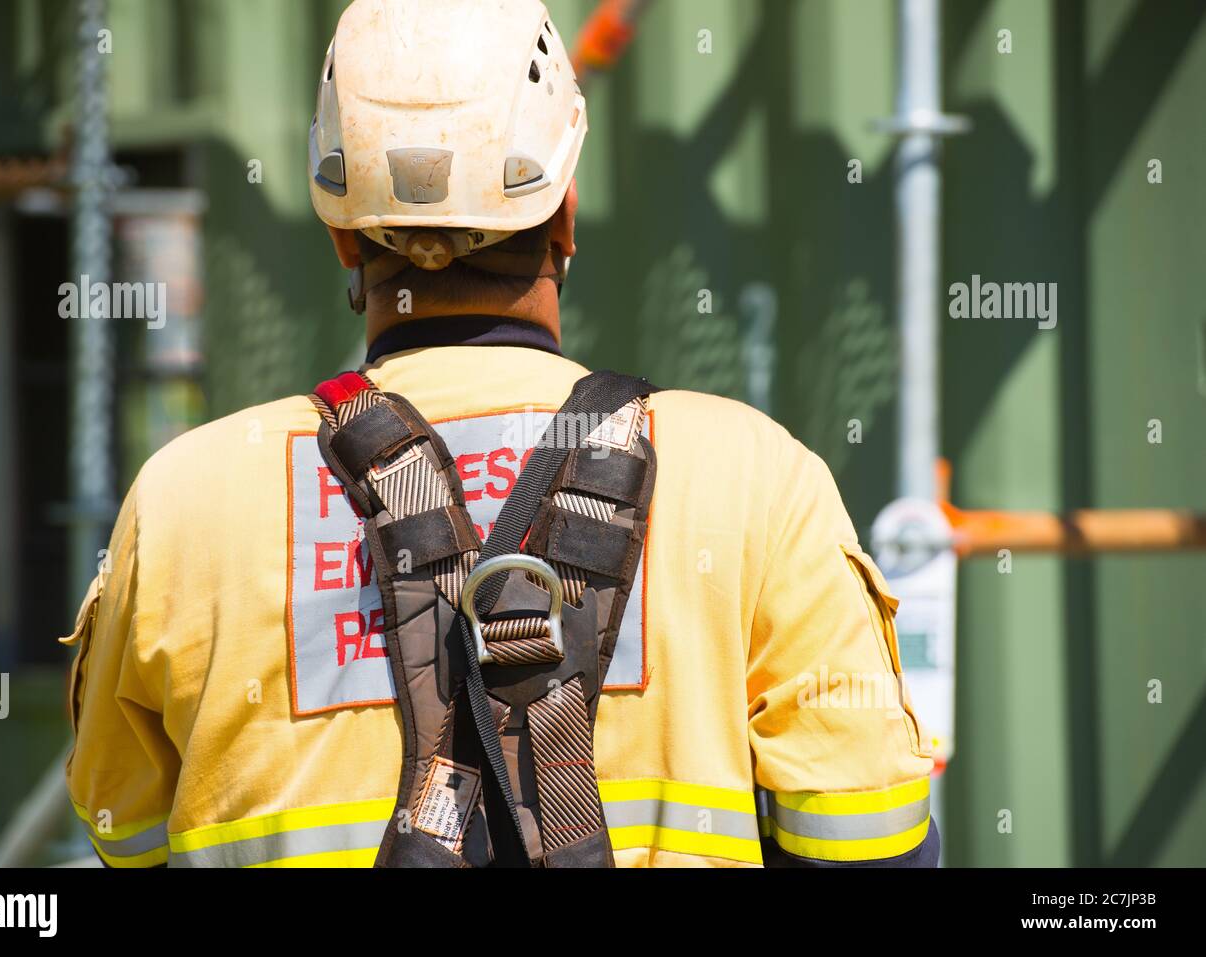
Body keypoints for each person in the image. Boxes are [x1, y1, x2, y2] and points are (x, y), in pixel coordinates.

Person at [63, 0, 937, 868]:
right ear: (566, 215)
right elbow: (869, 839)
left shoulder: (183, 505)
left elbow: (125, 832)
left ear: (342, 238)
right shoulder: (751, 478)